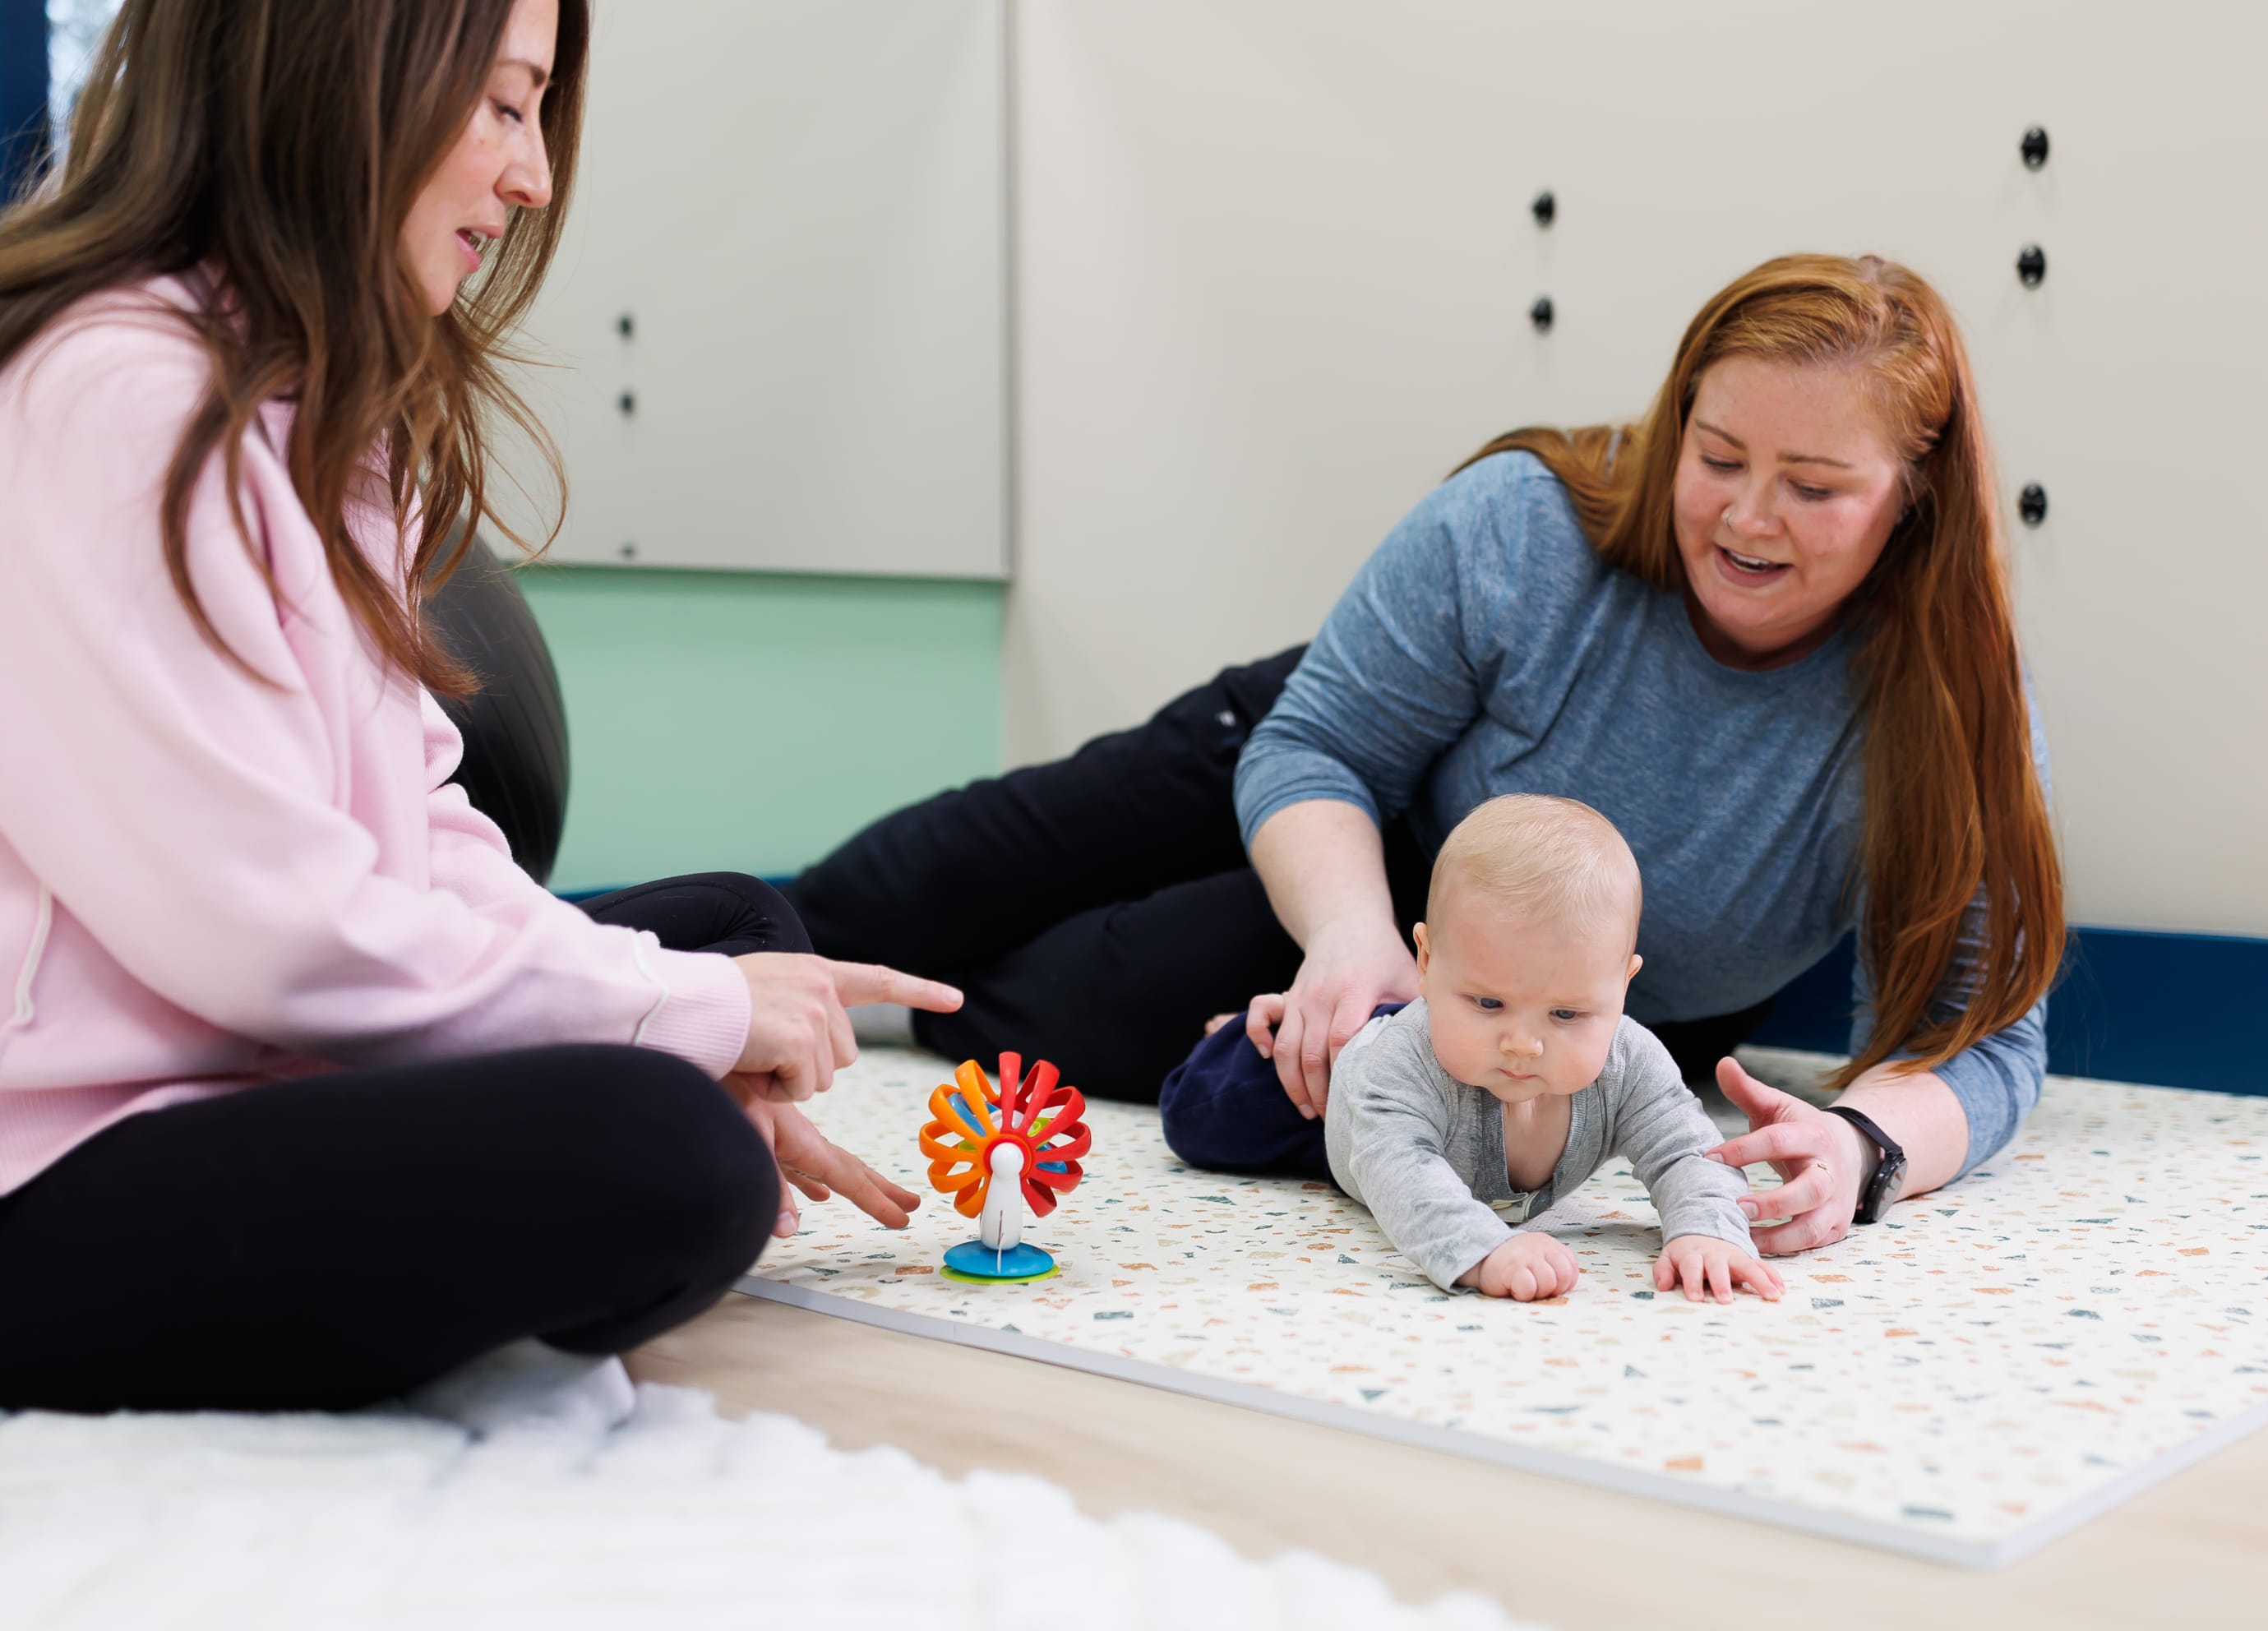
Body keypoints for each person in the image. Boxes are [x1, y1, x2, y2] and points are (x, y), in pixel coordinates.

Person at [0, 0, 955, 1416]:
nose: (535, 177)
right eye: (504, 107)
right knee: (667, 1147)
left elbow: (423, 831)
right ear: (344, 77)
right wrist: (675, 1019)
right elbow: (276, 937)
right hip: (62, 1158)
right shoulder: (119, 395)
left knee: (746, 933)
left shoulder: (320, 403)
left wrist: (693, 999)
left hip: (258, 1058)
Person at [797, 253, 2064, 1257]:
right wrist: (1348, 939)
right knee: (898, 894)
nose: (1744, 515)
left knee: (1100, 994)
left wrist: (1861, 1147)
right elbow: (1322, 747)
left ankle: (881, 1004)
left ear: (1915, 501)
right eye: (1718, 457)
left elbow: (1986, 1039)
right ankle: (658, 959)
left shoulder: (1948, 702)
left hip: (1484, 956)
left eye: (1814, 487)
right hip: (1340, 769)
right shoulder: (1525, 525)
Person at [1310, 796, 1777, 1304]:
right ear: (1426, 961)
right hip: (1326, 1088)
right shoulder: (1403, 1064)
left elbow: (1687, 1152)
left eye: (1565, 1015)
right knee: (1230, 1094)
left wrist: (1708, 1231)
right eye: (1489, 1002)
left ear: (1623, 987)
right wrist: (1483, 1250)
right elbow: (1398, 1168)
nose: (1523, 1045)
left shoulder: (1629, 1064)